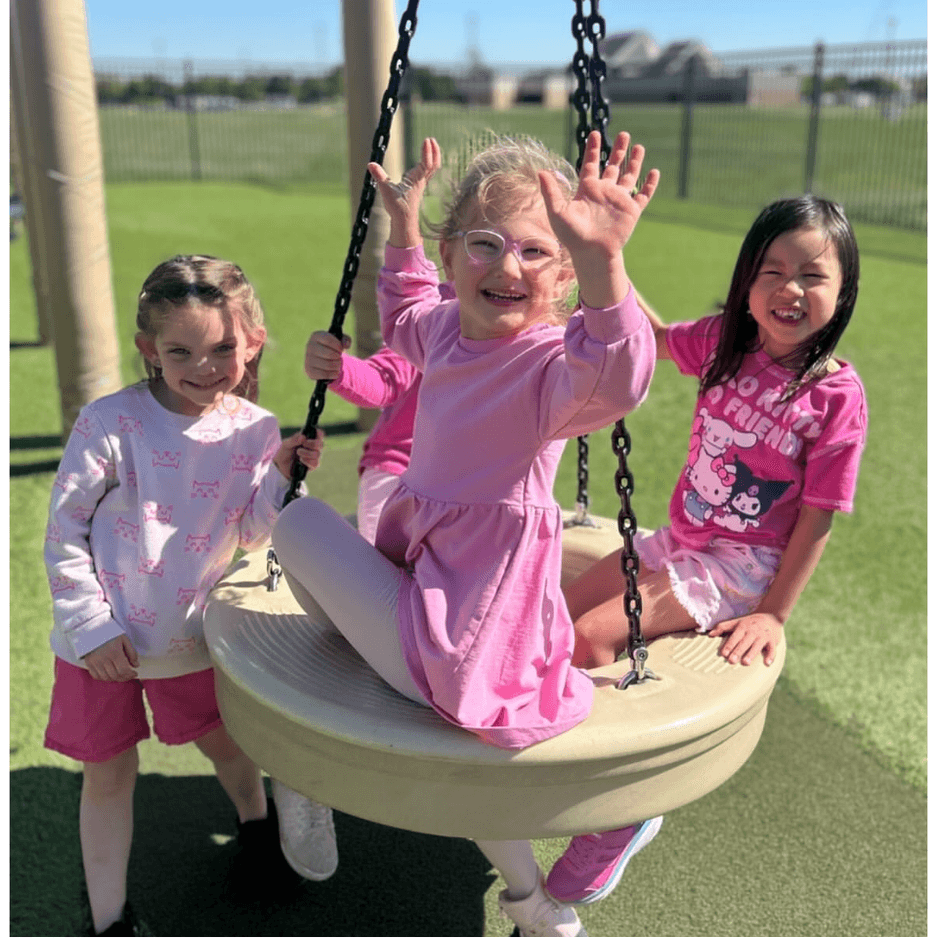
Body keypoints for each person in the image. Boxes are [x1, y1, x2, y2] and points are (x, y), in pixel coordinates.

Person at [272, 129, 658, 937]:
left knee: (293, 518)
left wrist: (606, 266)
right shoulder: (447, 329)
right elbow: (407, 312)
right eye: (484, 244)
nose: (506, 267)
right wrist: (405, 229)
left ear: (560, 279)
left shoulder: (550, 368)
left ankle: (540, 898)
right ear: (456, 256)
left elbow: (617, 374)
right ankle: (535, 908)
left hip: (467, 632)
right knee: (312, 537)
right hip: (437, 592)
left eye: (535, 252)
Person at [546, 195, 867, 907]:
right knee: (556, 613)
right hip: (681, 540)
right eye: (771, 270)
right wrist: (605, 265)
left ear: (842, 293)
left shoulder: (834, 396)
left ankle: (621, 815)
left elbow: (818, 517)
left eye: (812, 276)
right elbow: (655, 338)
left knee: (593, 640)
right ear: (746, 279)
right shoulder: (729, 342)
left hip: (739, 567)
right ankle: (545, 743)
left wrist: (775, 615)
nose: (789, 290)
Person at [43, 255, 327, 936]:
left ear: (251, 340)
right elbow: (64, 531)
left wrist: (283, 477)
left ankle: (256, 829)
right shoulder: (110, 422)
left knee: (228, 746)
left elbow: (253, 530)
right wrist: (90, 626)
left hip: (196, 638)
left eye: (224, 348)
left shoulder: (255, 428)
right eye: (181, 351)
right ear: (149, 349)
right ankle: (109, 918)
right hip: (103, 644)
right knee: (107, 777)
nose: (205, 366)